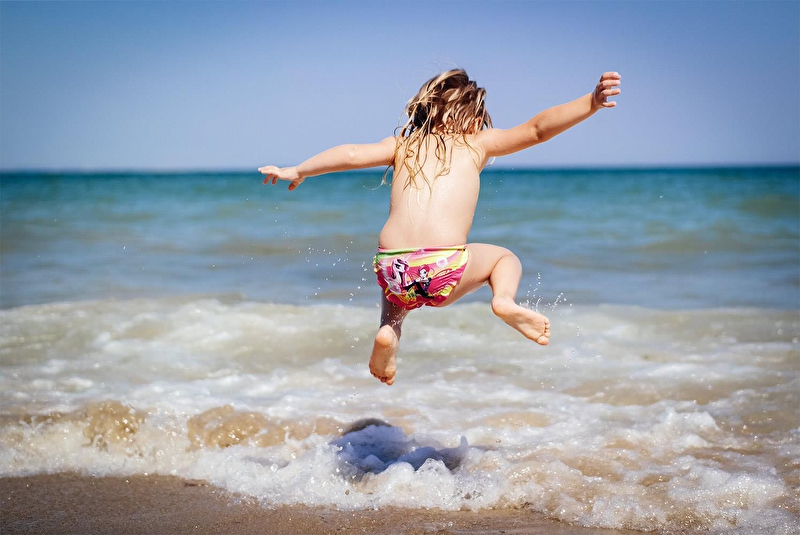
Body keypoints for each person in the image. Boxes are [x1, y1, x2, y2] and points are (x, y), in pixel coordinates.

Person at [259, 69, 621, 386]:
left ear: (426, 109)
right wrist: (590, 102)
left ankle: (389, 331)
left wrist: (299, 169)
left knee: (398, 279)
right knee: (503, 259)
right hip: (443, 267)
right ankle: (504, 301)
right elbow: (538, 130)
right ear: (474, 117)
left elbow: (351, 154)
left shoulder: (401, 145)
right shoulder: (478, 143)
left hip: (392, 267)